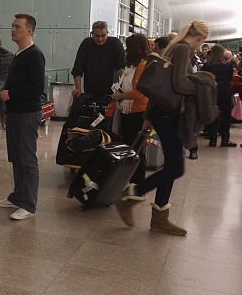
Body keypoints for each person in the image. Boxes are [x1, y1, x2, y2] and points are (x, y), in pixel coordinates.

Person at [115, 21, 210, 236]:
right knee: (176, 167)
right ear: (200, 38)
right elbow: (179, 85)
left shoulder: (174, 47)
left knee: (172, 166)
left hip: (162, 113)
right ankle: (130, 197)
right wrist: (200, 81)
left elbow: (160, 86)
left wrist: (149, 116)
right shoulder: (184, 49)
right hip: (169, 115)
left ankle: (159, 217)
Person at [0, 14, 45, 221]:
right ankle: (18, 196)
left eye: (17, 26)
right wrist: (7, 110)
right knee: (16, 157)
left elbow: (36, 88)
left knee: (27, 159)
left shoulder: (34, 55)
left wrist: (11, 95)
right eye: (12, 26)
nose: (13, 30)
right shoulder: (20, 54)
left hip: (27, 114)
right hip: (16, 113)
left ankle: (29, 204)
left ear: (29, 31)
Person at [107, 33, 150, 190]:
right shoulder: (134, 65)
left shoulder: (143, 66)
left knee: (136, 149)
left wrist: (120, 95)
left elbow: (139, 93)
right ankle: (131, 181)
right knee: (130, 147)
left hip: (137, 112)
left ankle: (137, 184)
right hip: (128, 111)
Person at [71, 20, 124, 100]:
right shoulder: (87, 44)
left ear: (107, 33)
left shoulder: (115, 44)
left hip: (112, 92)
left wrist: (122, 90)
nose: (100, 39)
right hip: (90, 91)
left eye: (103, 35)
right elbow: (77, 69)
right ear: (92, 34)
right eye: (97, 36)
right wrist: (78, 89)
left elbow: (121, 68)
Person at [203, 44, 236, 147]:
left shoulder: (207, 66)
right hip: (225, 93)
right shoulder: (228, 66)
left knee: (213, 115)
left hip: (211, 94)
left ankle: (212, 139)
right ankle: (225, 139)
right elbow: (230, 79)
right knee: (226, 116)